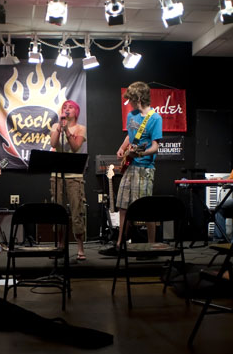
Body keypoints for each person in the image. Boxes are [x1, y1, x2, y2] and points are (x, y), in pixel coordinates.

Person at [100, 81, 163, 255]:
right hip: (130, 166)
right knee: (122, 205)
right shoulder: (131, 116)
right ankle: (120, 243)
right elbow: (131, 136)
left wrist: (141, 154)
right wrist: (122, 148)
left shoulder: (155, 118)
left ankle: (151, 246)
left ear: (139, 98)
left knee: (146, 208)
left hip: (145, 168)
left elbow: (156, 147)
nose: (129, 103)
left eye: (131, 100)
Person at [49, 99, 88, 261]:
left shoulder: (81, 128)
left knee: (77, 210)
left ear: (76, 112)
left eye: (70, 107)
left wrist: (67, 132)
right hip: (57, 174)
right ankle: (60, 245)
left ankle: (80, 247)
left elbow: (75, 147)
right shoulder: (55, 126)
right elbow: (53, 143)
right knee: (57, 210)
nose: (67, 109)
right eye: (64, 107)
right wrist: (59, 128)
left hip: (74, 176)